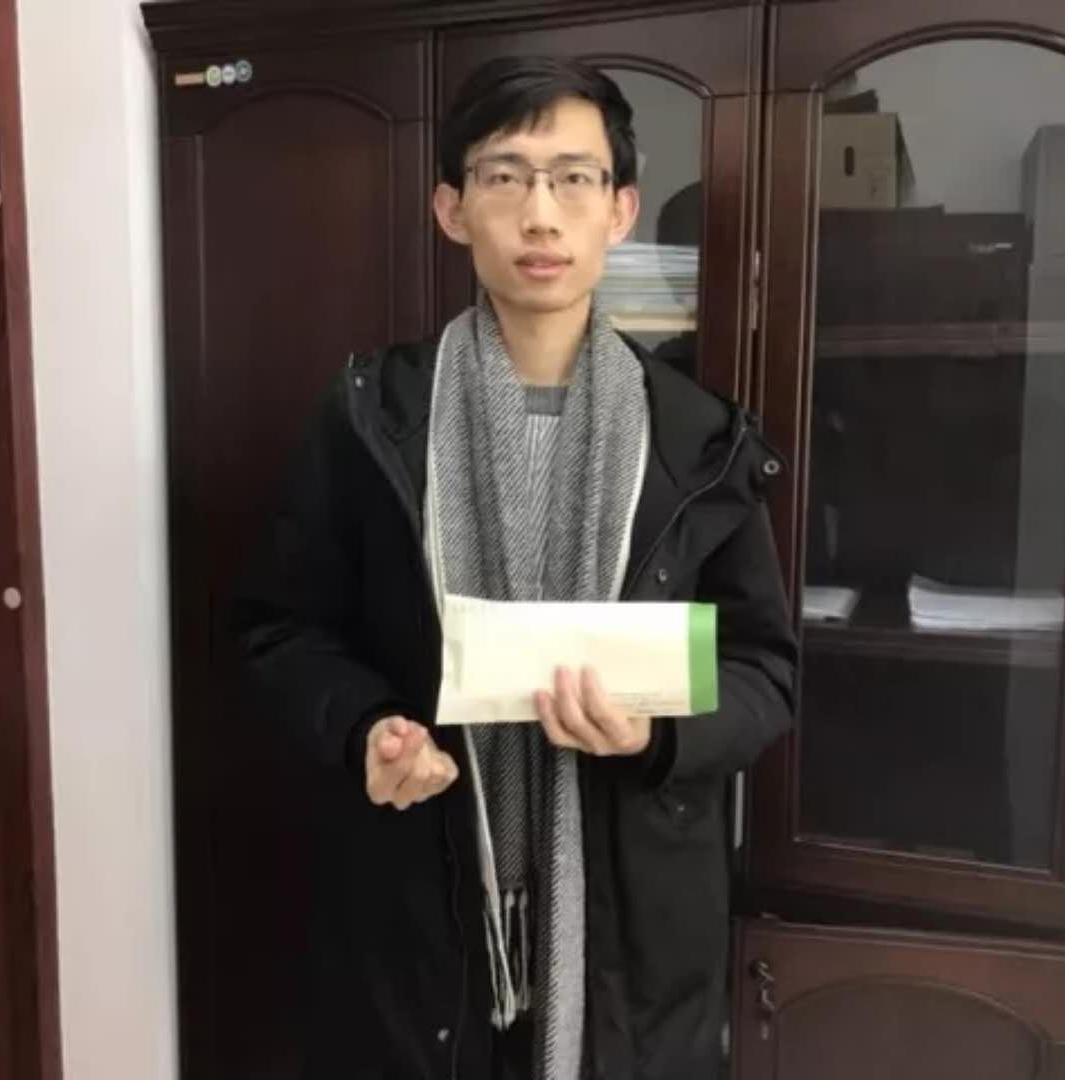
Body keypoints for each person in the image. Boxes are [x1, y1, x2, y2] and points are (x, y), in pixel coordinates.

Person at [234, 56, 795, 1080]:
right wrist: (365, 727)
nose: (541, 214)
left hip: (634, 926)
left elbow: (764, 671)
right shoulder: (370, 421)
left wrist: (660, 734)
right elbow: (283, 628)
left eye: (574, 179)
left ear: (620, 210)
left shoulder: (700, 444)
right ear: (452, 209)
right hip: (423, 909)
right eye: (505, 176)